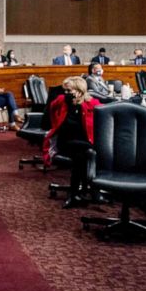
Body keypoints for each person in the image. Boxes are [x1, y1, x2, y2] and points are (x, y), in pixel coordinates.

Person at [43, 77, 101, 209]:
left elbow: (105, 117)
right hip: (65, 142)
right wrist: (64, 102)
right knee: (90, 151)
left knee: (81, 156)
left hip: (83, 144)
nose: (66, 93)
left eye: (69, 91)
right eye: (65, 91)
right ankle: (93, 191)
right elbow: (49, 114)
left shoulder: (92, 104)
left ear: (80, 91)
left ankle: (75, 194)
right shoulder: (62, 101)